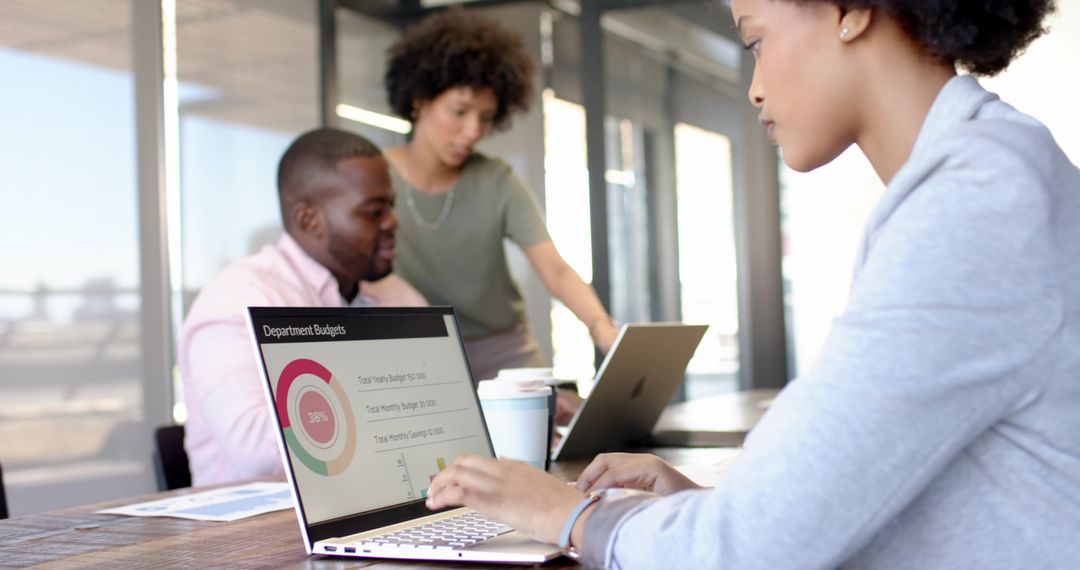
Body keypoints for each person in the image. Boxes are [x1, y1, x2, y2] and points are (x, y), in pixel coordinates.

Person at [424, 0, 1080, 567]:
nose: (754, 88)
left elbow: (746, 555)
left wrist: (564, 515)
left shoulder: (975, 202)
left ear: (851, 9)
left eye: (756, 42)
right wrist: (715, 510)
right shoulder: (990, 168)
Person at [378, 8, 619, 382]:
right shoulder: (375, 178)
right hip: (418, 351)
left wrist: (601, 327)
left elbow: (554, 269)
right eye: (459, 111)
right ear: (420, 99)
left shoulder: (496, 180)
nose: (472, 130)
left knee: (546, 430)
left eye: (485, 117)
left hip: (503, 350)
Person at [179, 128, 425, 486]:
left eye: (391, 206)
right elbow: (255, 451)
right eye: (373, 212)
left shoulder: (396, 294)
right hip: (255, 531)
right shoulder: (238, 301)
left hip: (373, 503)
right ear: (309, 220)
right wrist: (394, 403)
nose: (392, 222)